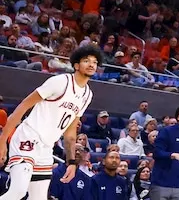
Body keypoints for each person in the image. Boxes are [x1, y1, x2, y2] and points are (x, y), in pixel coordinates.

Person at [0, 44, 104, 200]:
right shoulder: (60, 82)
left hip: (46, 147)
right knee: (18, 192)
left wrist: (71, 162)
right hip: (28, 137)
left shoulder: (87, 94)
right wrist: (2, 142)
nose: (91, 64)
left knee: (39, 198)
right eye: (86, 60)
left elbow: (70, 132)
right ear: (76, 65)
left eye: (95, 62)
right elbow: (22, 106)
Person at [151, 105, 179, 200]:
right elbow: (156, 153)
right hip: (162, 183)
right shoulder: (166, 131)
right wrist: (173, 155)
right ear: (178, 117)